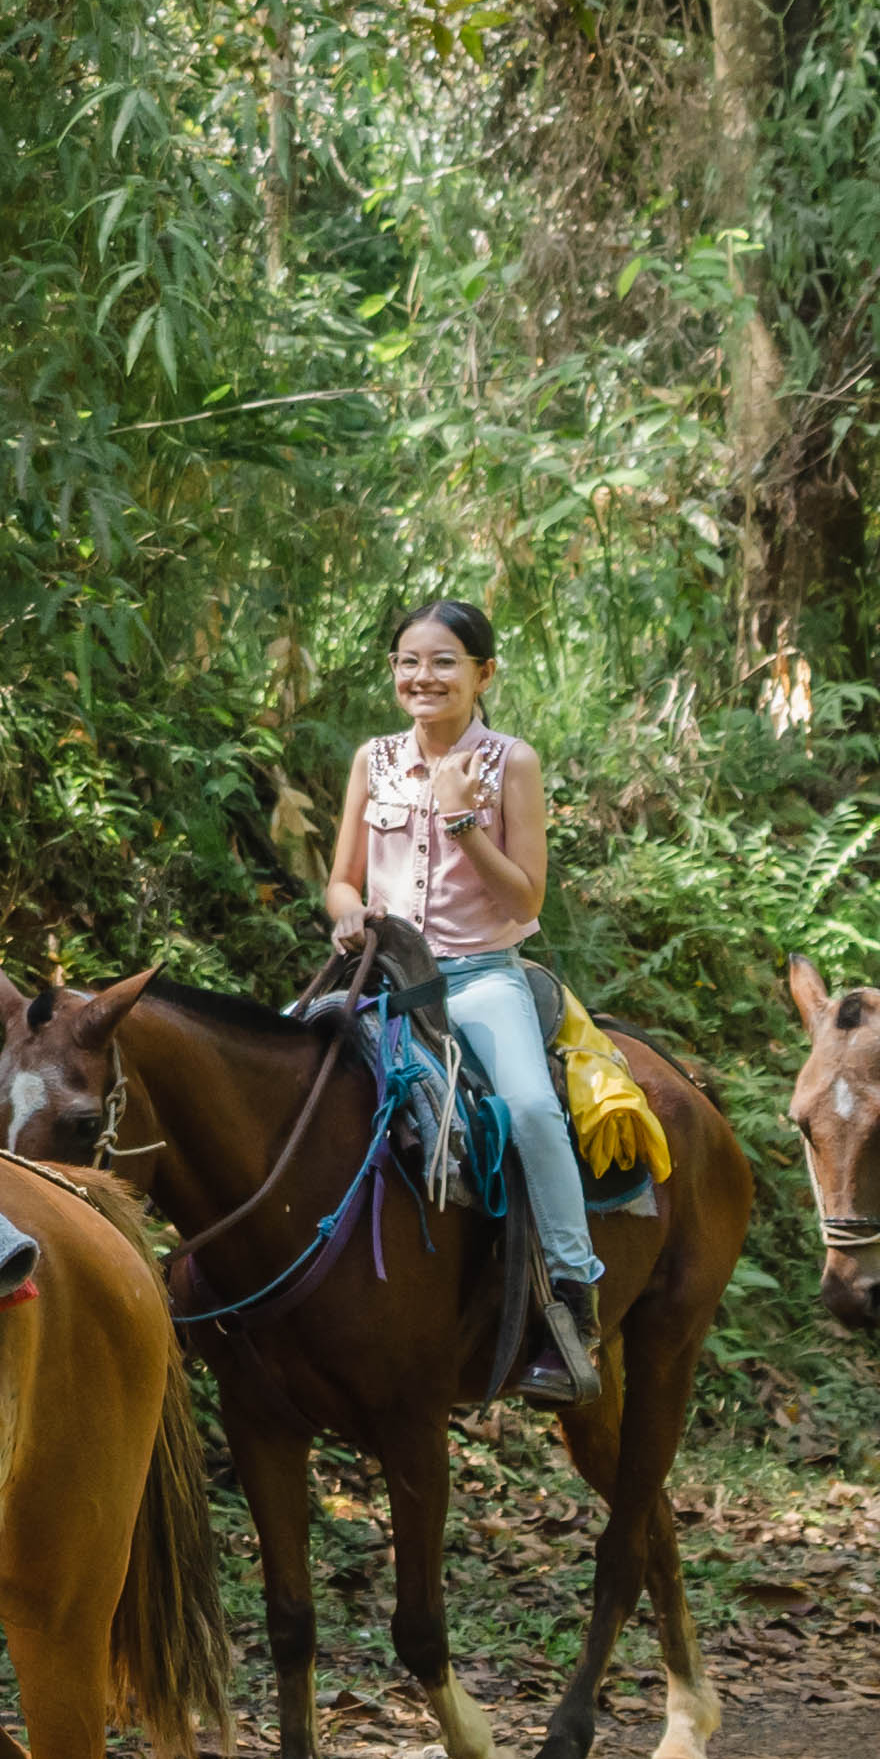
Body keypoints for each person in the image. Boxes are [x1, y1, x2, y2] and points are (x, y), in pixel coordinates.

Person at [320, 598, 604, 1405]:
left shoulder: (512, 762)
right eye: (409, 661)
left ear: (484, 674)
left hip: (479, 978)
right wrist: (348, 913)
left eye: (445, 662)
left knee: (533, 1108)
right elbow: (341, 879)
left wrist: (463, 821)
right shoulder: (373, 759)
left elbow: (525, 899)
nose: (424, 677)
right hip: (382, 973)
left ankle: (573, 1296)